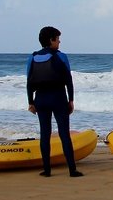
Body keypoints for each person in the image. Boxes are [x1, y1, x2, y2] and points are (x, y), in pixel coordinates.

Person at [27, 26, 81, 177]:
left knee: (45, 134)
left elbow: (29, 82)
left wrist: (31, 102)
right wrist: (71, 100)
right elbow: (68, 81)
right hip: (58, 99)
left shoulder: (33, 57)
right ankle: (72, 170)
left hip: (41, 100)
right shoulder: (61, 56)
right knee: (64, 134)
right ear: (51, 40)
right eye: (57, 39)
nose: (59, 41)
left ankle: (47, 170)